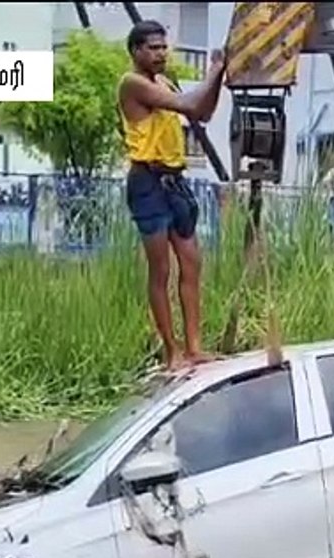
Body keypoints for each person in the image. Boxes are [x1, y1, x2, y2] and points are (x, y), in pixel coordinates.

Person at [118, 21, 226, 371]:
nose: (161, 53)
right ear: (136, 51)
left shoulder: (166, 82)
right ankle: (172, 352)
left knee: (192, 262)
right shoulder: (132, 83)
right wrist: (214, 69)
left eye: (164, 47)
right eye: (153, 48)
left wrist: (219, 77)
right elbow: (191, 105)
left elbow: (203, 111)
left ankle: (194, 347)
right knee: (160, 269)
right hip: (146, 181)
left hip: (174, 180)